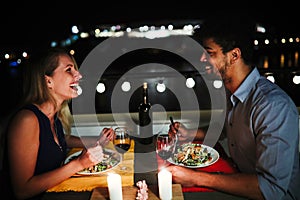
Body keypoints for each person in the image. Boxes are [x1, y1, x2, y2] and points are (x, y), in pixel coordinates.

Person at [167, 17, 300, 200]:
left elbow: (271, 189)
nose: (201, 59)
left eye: (209, 53)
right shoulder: (232, 92)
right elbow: (226, 129)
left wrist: (195, 178)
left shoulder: (272, 106)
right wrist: (190, 133)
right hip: (241, 183)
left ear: (234, 55)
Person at [0, 47, 114, 200]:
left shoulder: (53, 116)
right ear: (48, 81)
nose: (78, 75)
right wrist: (79, 164)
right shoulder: (27, 120)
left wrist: (95, 142)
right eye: (69, 70)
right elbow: (22, 190)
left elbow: (60, 140)